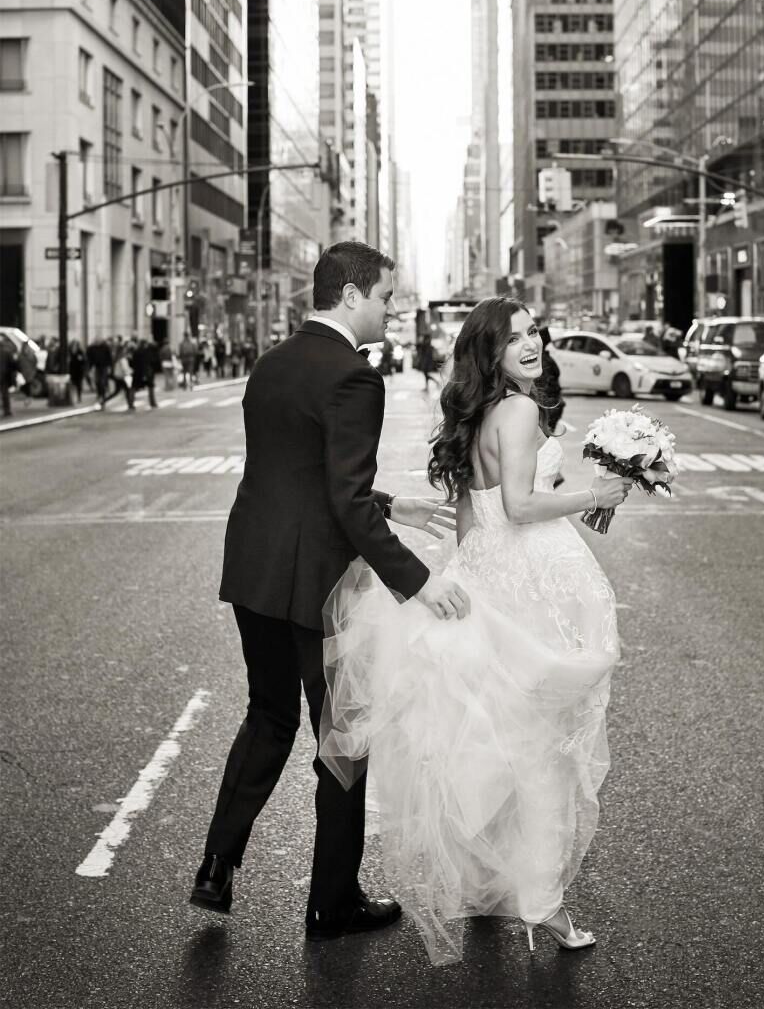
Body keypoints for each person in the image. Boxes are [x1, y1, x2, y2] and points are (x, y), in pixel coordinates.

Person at [318, 297, 631, 965]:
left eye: (532, 332)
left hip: (492, 576)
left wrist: (473, 584)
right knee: (542, 752)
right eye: (512, 337)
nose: (529, 343)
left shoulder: (480, 414)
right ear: (488, 352)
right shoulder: (518, 410)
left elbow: (472, 518)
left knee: (494, 740)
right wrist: (592, 497)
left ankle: (493, 886)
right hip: (528, 582)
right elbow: (518, 507)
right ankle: (544, 906)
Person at [189, 241, 469, 941]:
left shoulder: (272, 364)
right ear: (350, 295)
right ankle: (332, 901)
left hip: (254, 569)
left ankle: (215, 868)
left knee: (268, 718)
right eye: (383, 296)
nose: (391, 308)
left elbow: (295, 475)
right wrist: (417, 580)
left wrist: (385, 502)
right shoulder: (353, 377)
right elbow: (337, 503)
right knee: (343, 738)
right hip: (317, 582)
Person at [86, 337, 113, 407]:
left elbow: (109, 357)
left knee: (102, 382)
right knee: (97, 381)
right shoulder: (91, 348)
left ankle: (102, 395)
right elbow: (89, 359)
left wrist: (109, 367)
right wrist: (90, 368)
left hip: (103, 367)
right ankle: (99, 394)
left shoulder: (105, 347)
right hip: (96, 367)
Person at [0, 337, 17, 418]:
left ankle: (7, 410)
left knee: (4, 393)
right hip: (4, 375)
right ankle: (7, 410)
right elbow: (13, 364)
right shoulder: (7, 352)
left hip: (3, 374)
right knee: (5, 394)